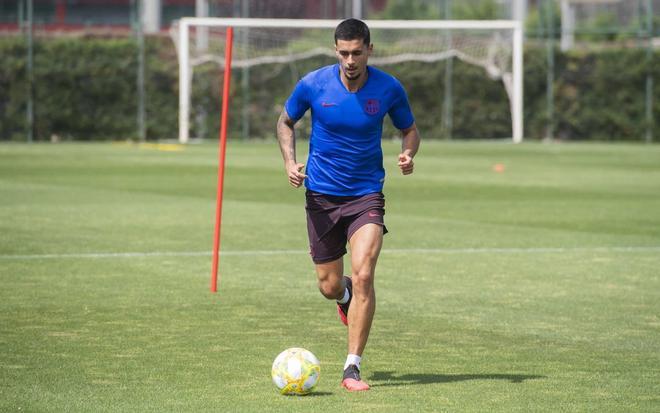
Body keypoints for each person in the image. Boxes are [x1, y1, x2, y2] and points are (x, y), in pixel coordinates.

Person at [276, 18, 420, 392]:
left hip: (365, 195)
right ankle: (345, 296)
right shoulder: (313, 84)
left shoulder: (388, 88)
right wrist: (290, 163)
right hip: (321, 196)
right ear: (335, 51)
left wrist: (407, 154)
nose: (350, 60)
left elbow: (410, 129)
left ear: (369, 50)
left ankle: (351, 368)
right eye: (344, 53)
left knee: (366, 273)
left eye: (357, 52)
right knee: (327, 285)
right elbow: (285, 121)